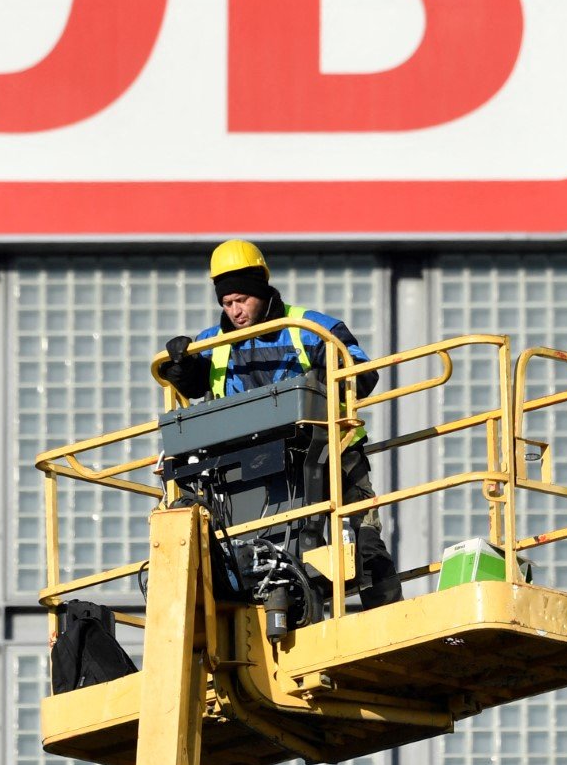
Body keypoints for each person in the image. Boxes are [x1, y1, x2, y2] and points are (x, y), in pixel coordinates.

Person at [157, 240, 403, 609]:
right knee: (262, 547)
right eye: (227, 303)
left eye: (242, 299)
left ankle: (385, 615)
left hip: (332, 450)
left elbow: (363, 376)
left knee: (364, 535)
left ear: (261, 291)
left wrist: (326, 373)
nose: (236, 311)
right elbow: (193, 389)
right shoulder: (212, 343)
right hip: (252, 467)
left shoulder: (310, 328)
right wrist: (183, 366)